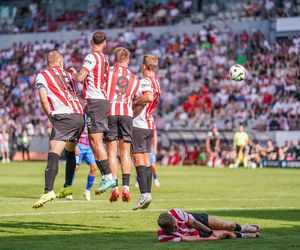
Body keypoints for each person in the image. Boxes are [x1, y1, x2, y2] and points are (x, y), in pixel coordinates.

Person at [33, 50, 84, 209]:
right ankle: (67, 186)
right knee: (69, 150)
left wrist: (51, 117)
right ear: (61, 63)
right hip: (79, 116)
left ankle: (49, 190)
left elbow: (43, 98)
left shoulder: (43, 75)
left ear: (48, 63)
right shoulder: (69, 75)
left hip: (63, 116)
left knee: (54, 151)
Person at [70, 31, 115, 195]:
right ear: (105, 43)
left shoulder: (92, 57)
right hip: (100, 100)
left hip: (96, 101)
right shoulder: (105, 59)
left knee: (95, 142)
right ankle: (108, 176)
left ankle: (108, 176)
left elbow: (81, 77)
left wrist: (73, 74)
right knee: (93, 140)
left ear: (91, 41)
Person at [105, 47, 140, 203]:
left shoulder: (108, 72)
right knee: (125, 152)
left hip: (110, 112)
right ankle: (126, 187)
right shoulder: (134, 78)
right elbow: (140, 97)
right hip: (126, 113)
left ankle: (114, 188)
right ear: (128, 60)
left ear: (115, 59)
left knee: (111, 152)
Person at [131, 54, 161, 210]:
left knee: (137, 158)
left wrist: (134, 102)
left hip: (139, 123)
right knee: (146, 159)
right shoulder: (157, 82)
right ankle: (147, 193)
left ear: (144, 66)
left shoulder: (145, 81)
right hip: (149, 123)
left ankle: (144, 194)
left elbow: (148, 97)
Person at [157, 208, 260, 242]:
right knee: (226, 234)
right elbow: (188, 239)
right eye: (174, 228)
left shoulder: (175, 213)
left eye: (176, 224)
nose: (177, 227)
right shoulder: (163, 237)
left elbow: (194, 223)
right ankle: (244, 235)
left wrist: (210, 231)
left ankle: (243, 228)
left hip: (197, 220)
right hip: (195, 234)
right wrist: (209, 238)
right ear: (165, 229)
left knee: (227, 225)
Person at [73, 127, 97, 202]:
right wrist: (75, 145)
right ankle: (68, 189)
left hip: (89, 146)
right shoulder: (81, 116)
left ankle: (87, 191)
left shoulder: (93, 116)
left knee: (94, 168)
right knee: (75, 168)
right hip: (79, 145)